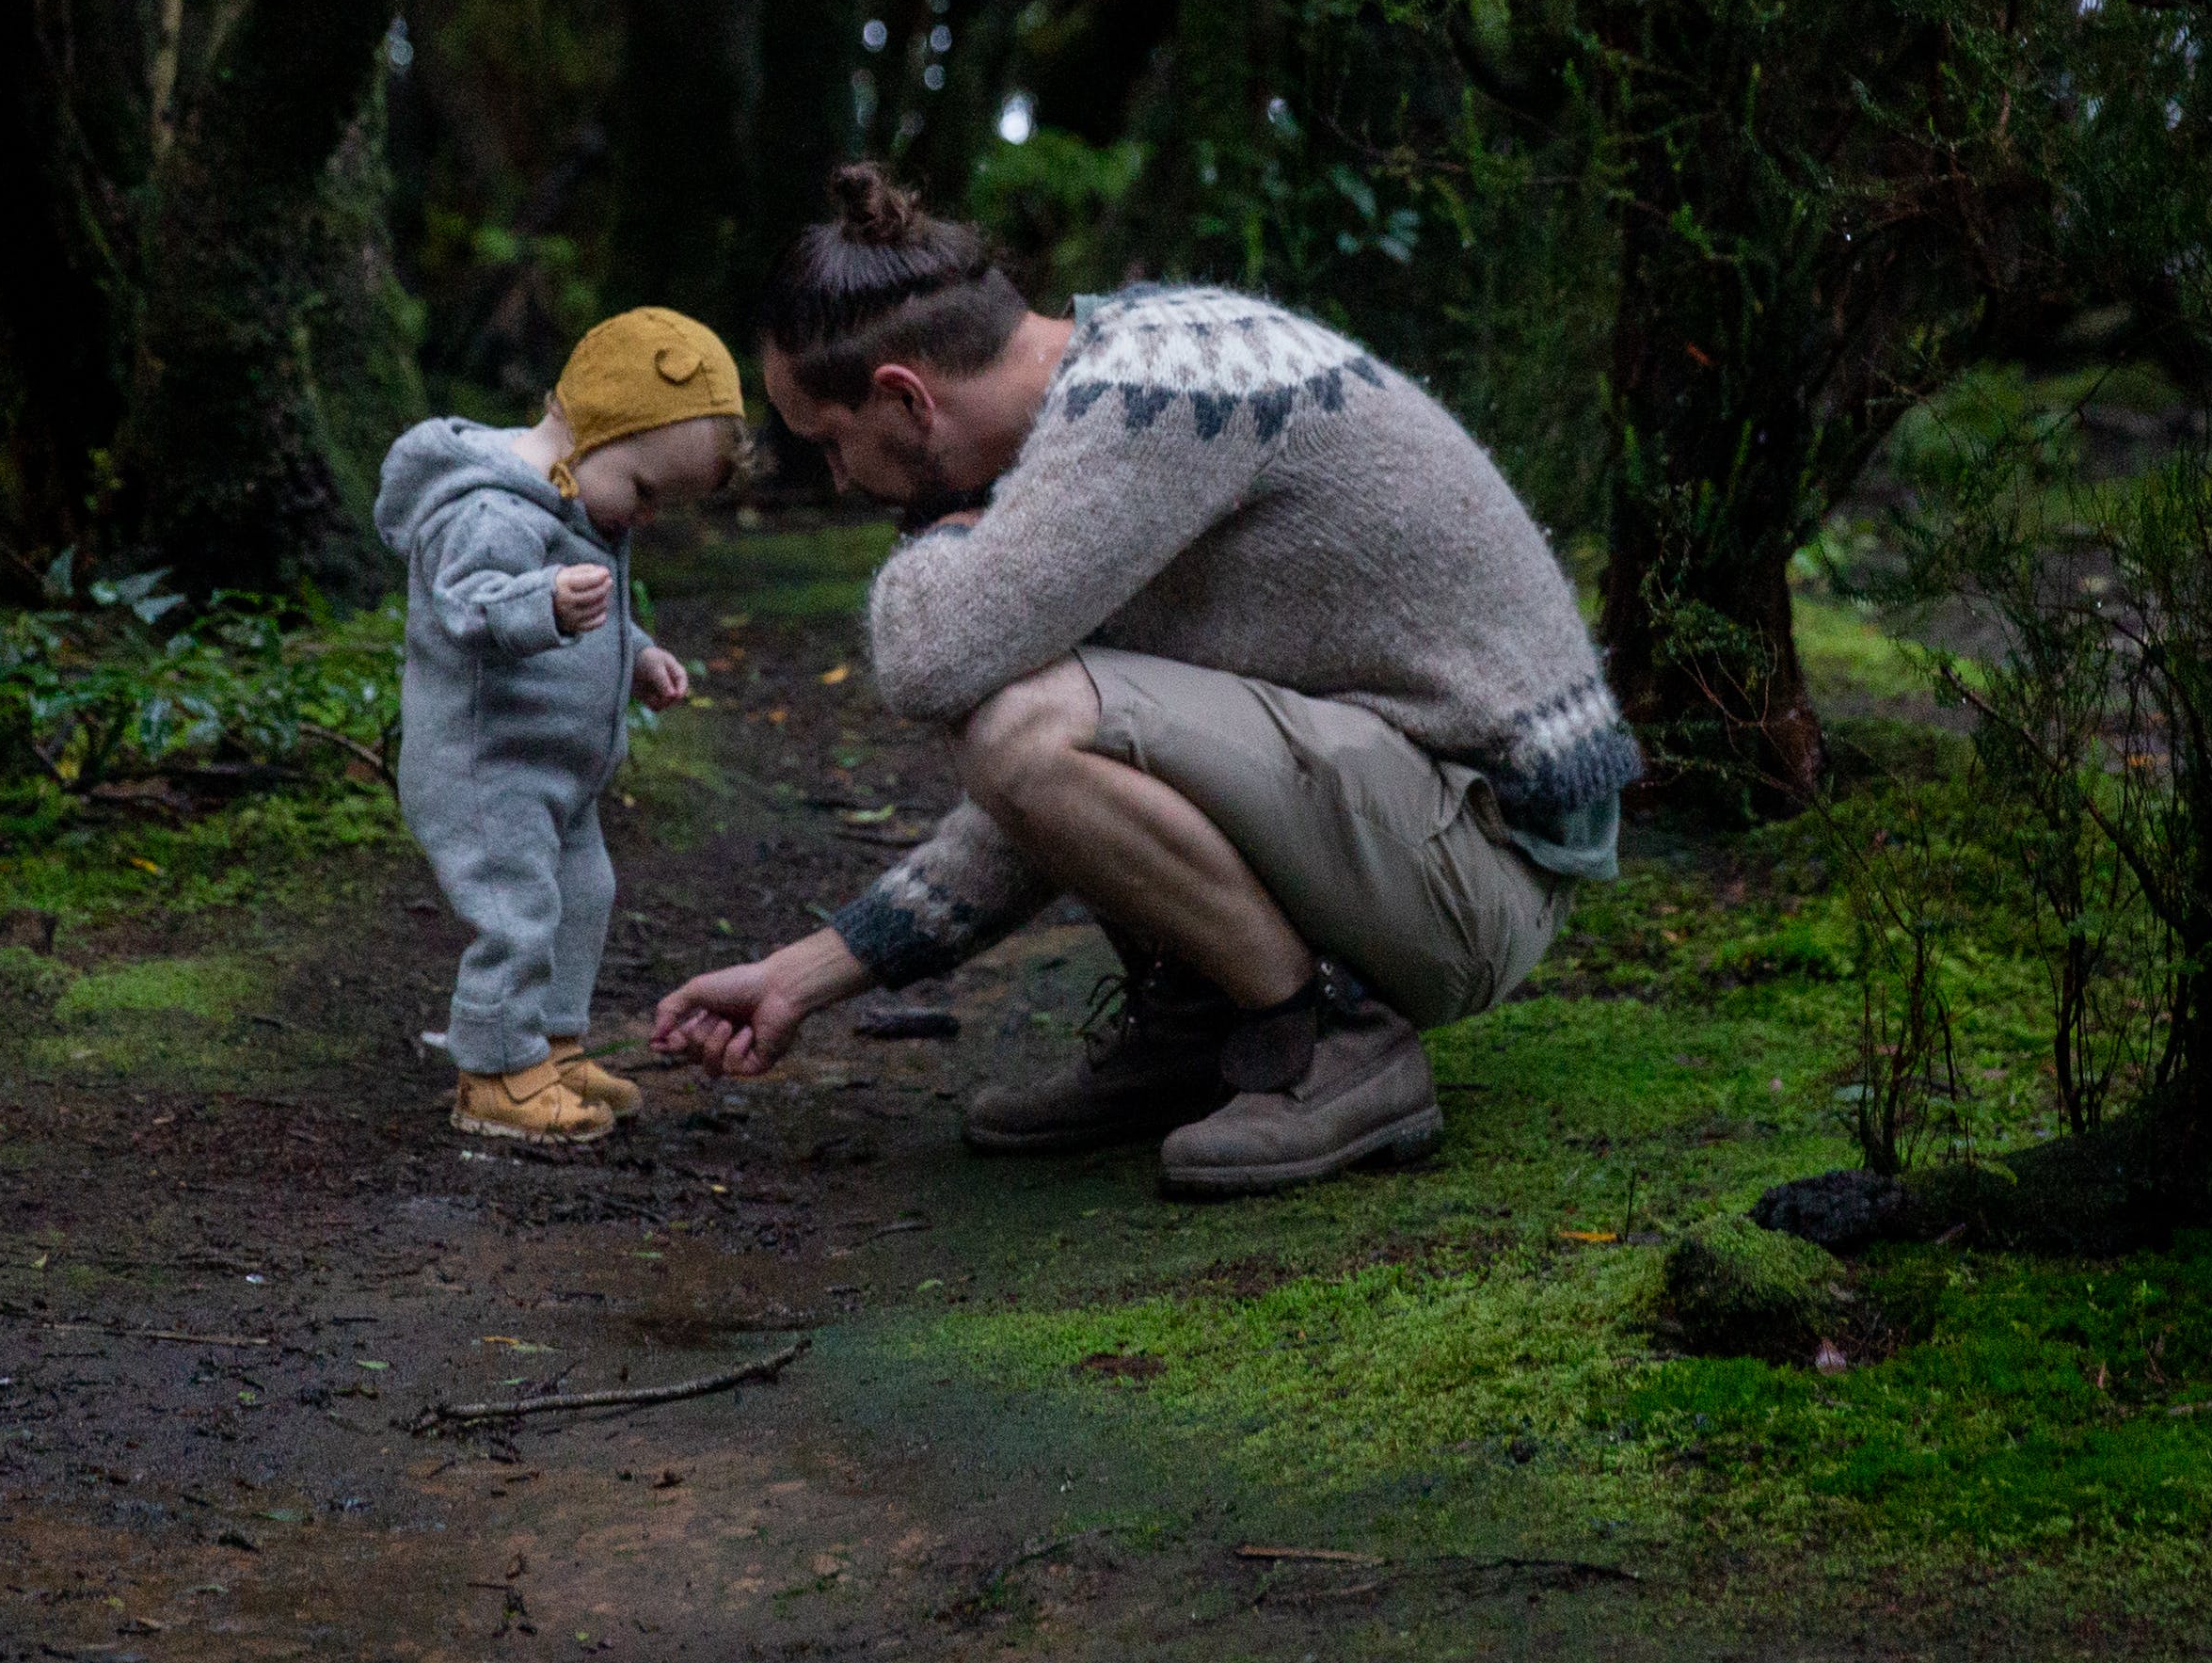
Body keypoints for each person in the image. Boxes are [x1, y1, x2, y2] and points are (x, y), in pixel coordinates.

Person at [651, 168, 1636, 1196]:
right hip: (1407, 823)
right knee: (1037, 723)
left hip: (1472, 864)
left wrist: (944, 536)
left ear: (905, 398)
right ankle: (1200, 1030)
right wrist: (806, 974)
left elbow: (929, 657)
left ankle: (1329, 1040)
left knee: (1018, 720)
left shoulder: (1153, 397)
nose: (840, 482)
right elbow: (1072, 787)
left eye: (830, 445)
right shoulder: (1118, 390)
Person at [376, 308, 745, 1146]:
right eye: (645, 491)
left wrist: (640, 655)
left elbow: (598, 612)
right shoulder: (489, 509)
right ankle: (495, 1073)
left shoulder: (582, 498)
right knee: (516, 912)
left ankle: (552, 1045)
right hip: (487, 765)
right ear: (588, 432)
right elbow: (465, 601)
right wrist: (540, 603)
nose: (642, 518)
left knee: (584, 894)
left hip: (559, 771)